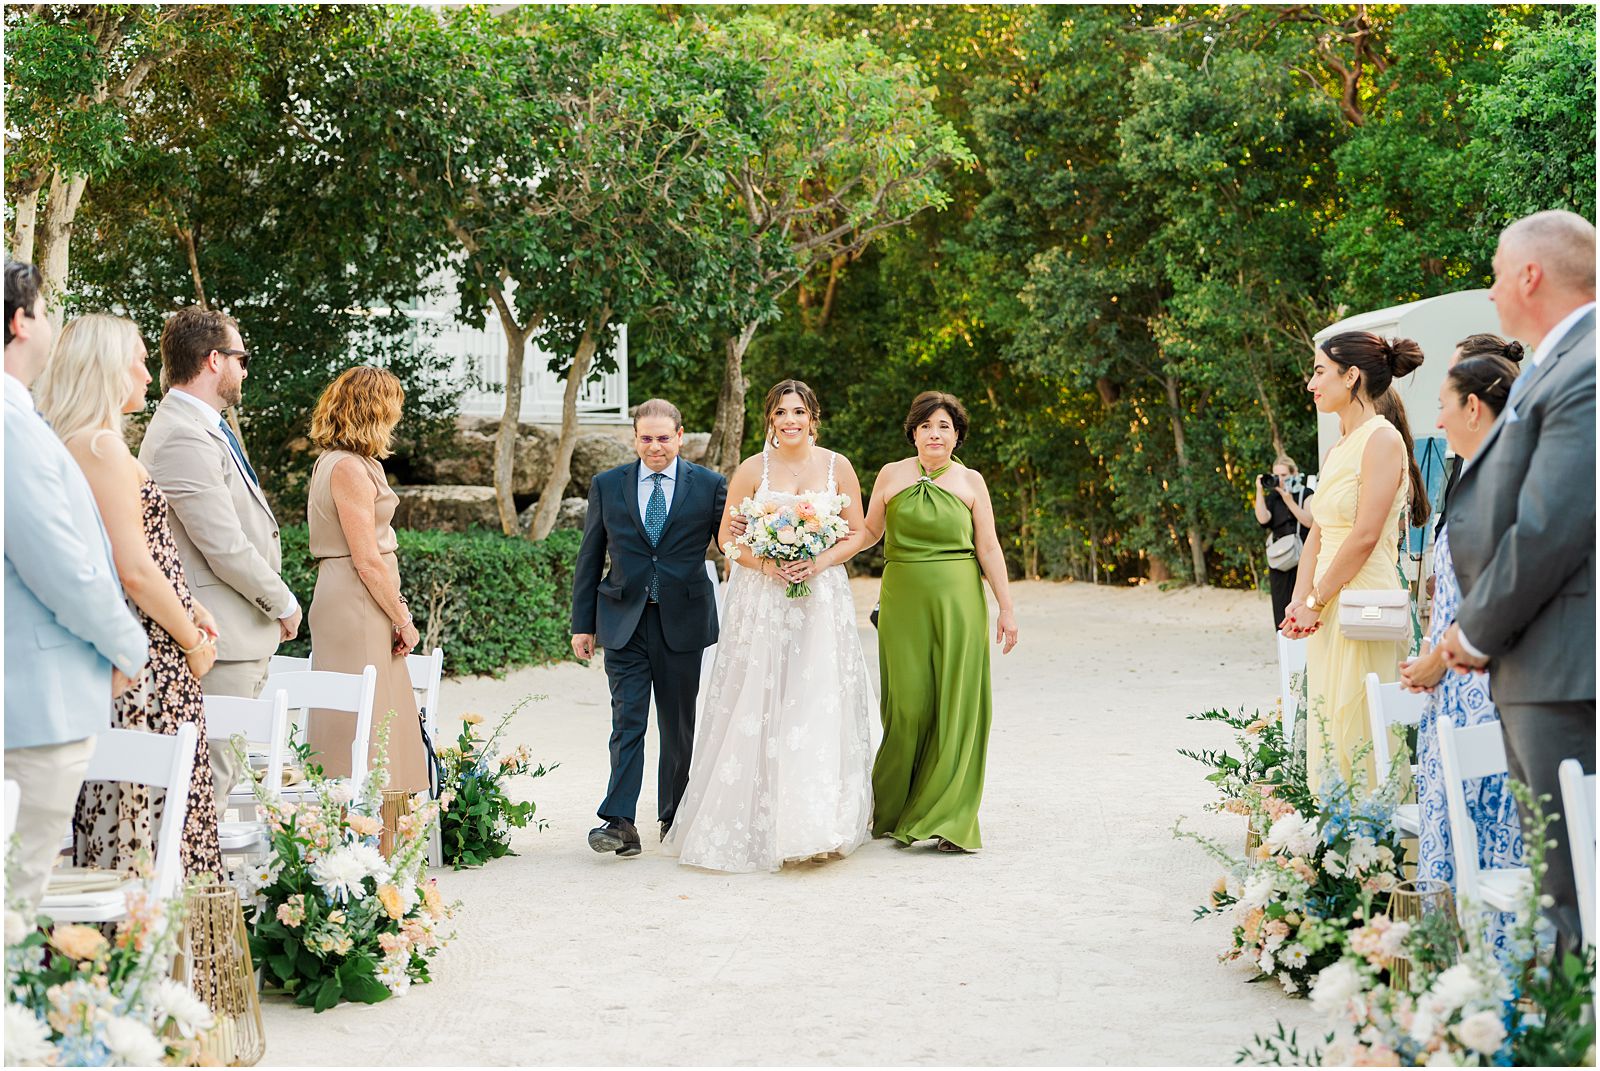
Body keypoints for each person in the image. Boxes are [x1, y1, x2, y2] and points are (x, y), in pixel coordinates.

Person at [1437, 210, 1596, 952]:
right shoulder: (1549, 361)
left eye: (1499, 270)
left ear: (1530, 275)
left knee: (1572, 900)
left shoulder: (1587, 364)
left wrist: (1472, 631)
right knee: (1558, 895)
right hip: (1537, 662)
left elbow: (1550, 524)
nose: (1493, 288)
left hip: (1564, 670)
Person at [36, 314, 224, 880]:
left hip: (153, 644)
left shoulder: (80, 442)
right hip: (152, 667)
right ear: (104, 369)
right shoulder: (99, 447)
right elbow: (134, 569)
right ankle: (155, 961)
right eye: (137, 361)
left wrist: (191, 606)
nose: (148, 374)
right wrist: (191, 641)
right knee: (148, 831)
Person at [663, 380, 876, 872]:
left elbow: (860, 532)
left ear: (813, 418)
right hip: (762, 601)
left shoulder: (837, 466)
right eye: (781, 412)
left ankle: (817, 823)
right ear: (770, 419)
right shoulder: (750, 469)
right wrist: (765, 564)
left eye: (799, 411)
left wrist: (818, 561)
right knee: (761, 700)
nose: (790, 420)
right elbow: (725, 540)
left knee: (814, 700)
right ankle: (758, 817)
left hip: (819, 599)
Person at [3, 262, 148, 913]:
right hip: (35, 708)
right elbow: (62, 566)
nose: (52, 325)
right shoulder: (10, 426)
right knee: (16, 897)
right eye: (43, 310)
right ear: (18, 321)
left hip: (37, 699)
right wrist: (129, 645)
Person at [140, 306, 301, 812]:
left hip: (236, 633)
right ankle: (192, 890)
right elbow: (224, 545)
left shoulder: (204, 425)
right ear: (214, 361)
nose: (245, 369)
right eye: (241, 358)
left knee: (218, 781)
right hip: (220, 641)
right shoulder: (183, 433)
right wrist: (283, 603)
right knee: (206, 788)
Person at [1400, 337, 1525, 959]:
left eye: (1445, 404)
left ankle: (1499, 979)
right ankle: (1461, 980)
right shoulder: (1476, 477)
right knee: (1463, 836)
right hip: (1453, 688)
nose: (1438, 418)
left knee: (1495, 841)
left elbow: (1500, 595)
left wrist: (1438, 659)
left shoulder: (1503, 480)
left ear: (1474, 407)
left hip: (1482, 690)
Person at [859, 391, 1019, 853]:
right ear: (913, 431)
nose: (935, 433)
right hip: (902, 603)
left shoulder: (972, 481)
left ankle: (950, 819)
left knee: (956, 706)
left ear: (957, 435)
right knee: (906, 706)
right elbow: (870, 532)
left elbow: (988, 547)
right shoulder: (890, 474)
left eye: (944, 426)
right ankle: (895, 809)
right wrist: (819, 554)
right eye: (926, 425)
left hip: (959, 604)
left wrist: (1006, 609)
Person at [571, 399, 728, 858]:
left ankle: (674, 813)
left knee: (677, 724)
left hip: (683, 620)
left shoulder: (710, 485)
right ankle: (619, 821)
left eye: (664, 438)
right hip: (623, 620)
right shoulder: (608, 484)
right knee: (627, 721)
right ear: (634, 437)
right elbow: (590, 555)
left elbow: (731, 546)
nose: (655, 446)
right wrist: (583, 624)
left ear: (680, 436)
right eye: (646, 438)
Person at [1281, 332, 1427, 793]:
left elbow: (1364, 536)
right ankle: (1338, 842)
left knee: (1363, 722)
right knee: (1330, 722)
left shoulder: (1381, 440)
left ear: (1352, 376)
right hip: (1327, 602)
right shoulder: (1338, 448)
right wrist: (1300, 601)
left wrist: (1317, 599)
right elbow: (1319, 533)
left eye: (1319, 371)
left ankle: (1375, 849)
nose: (1310, 384)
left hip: (1364, 602)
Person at [304, 367, 426, 791]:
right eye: (393, 409)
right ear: (374, 410)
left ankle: (380, 837)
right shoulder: (348, 469)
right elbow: (367, 560)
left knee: (380, 714)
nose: (397, 418)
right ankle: (360, 839)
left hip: (363, 596)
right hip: (356, 600)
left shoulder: (355, 462)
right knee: (363, 720)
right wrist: (403, 619)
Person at [1254, 455, 1313, 628]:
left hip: (1301, 556)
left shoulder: (1306, 493)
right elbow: (1263, 519)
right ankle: (1283, 642)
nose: (1279, 480)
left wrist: (1289, 500)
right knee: (1280, 605)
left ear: (1295, 473)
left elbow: (1309, 522)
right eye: (1276, 475)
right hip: (1279, 558)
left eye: (1284, 475)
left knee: (1300, 602)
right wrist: (1259, 490)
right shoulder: (1273, 497)